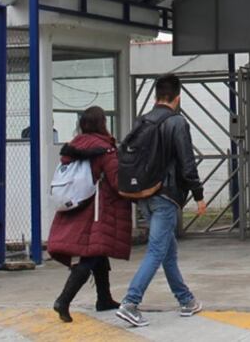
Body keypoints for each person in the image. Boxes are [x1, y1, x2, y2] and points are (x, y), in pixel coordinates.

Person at [116, 74, 206, 328]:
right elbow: (187, 163)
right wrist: (198, 195)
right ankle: (130, 303)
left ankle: (186, 300)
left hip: (144, 194)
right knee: (157, 250)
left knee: (168, 250)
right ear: (177, 98)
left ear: (157, 96)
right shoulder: (177, 122)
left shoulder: (142, 120)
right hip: (166, 196)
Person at [47, 106, 132, 323]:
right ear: (102, 123)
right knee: (90, 257)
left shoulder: (74, 146)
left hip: (77, 206)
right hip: (97, 209)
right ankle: (63, 300)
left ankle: (104, 298)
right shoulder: (105, 149)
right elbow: (116, 181)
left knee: (97, 251)